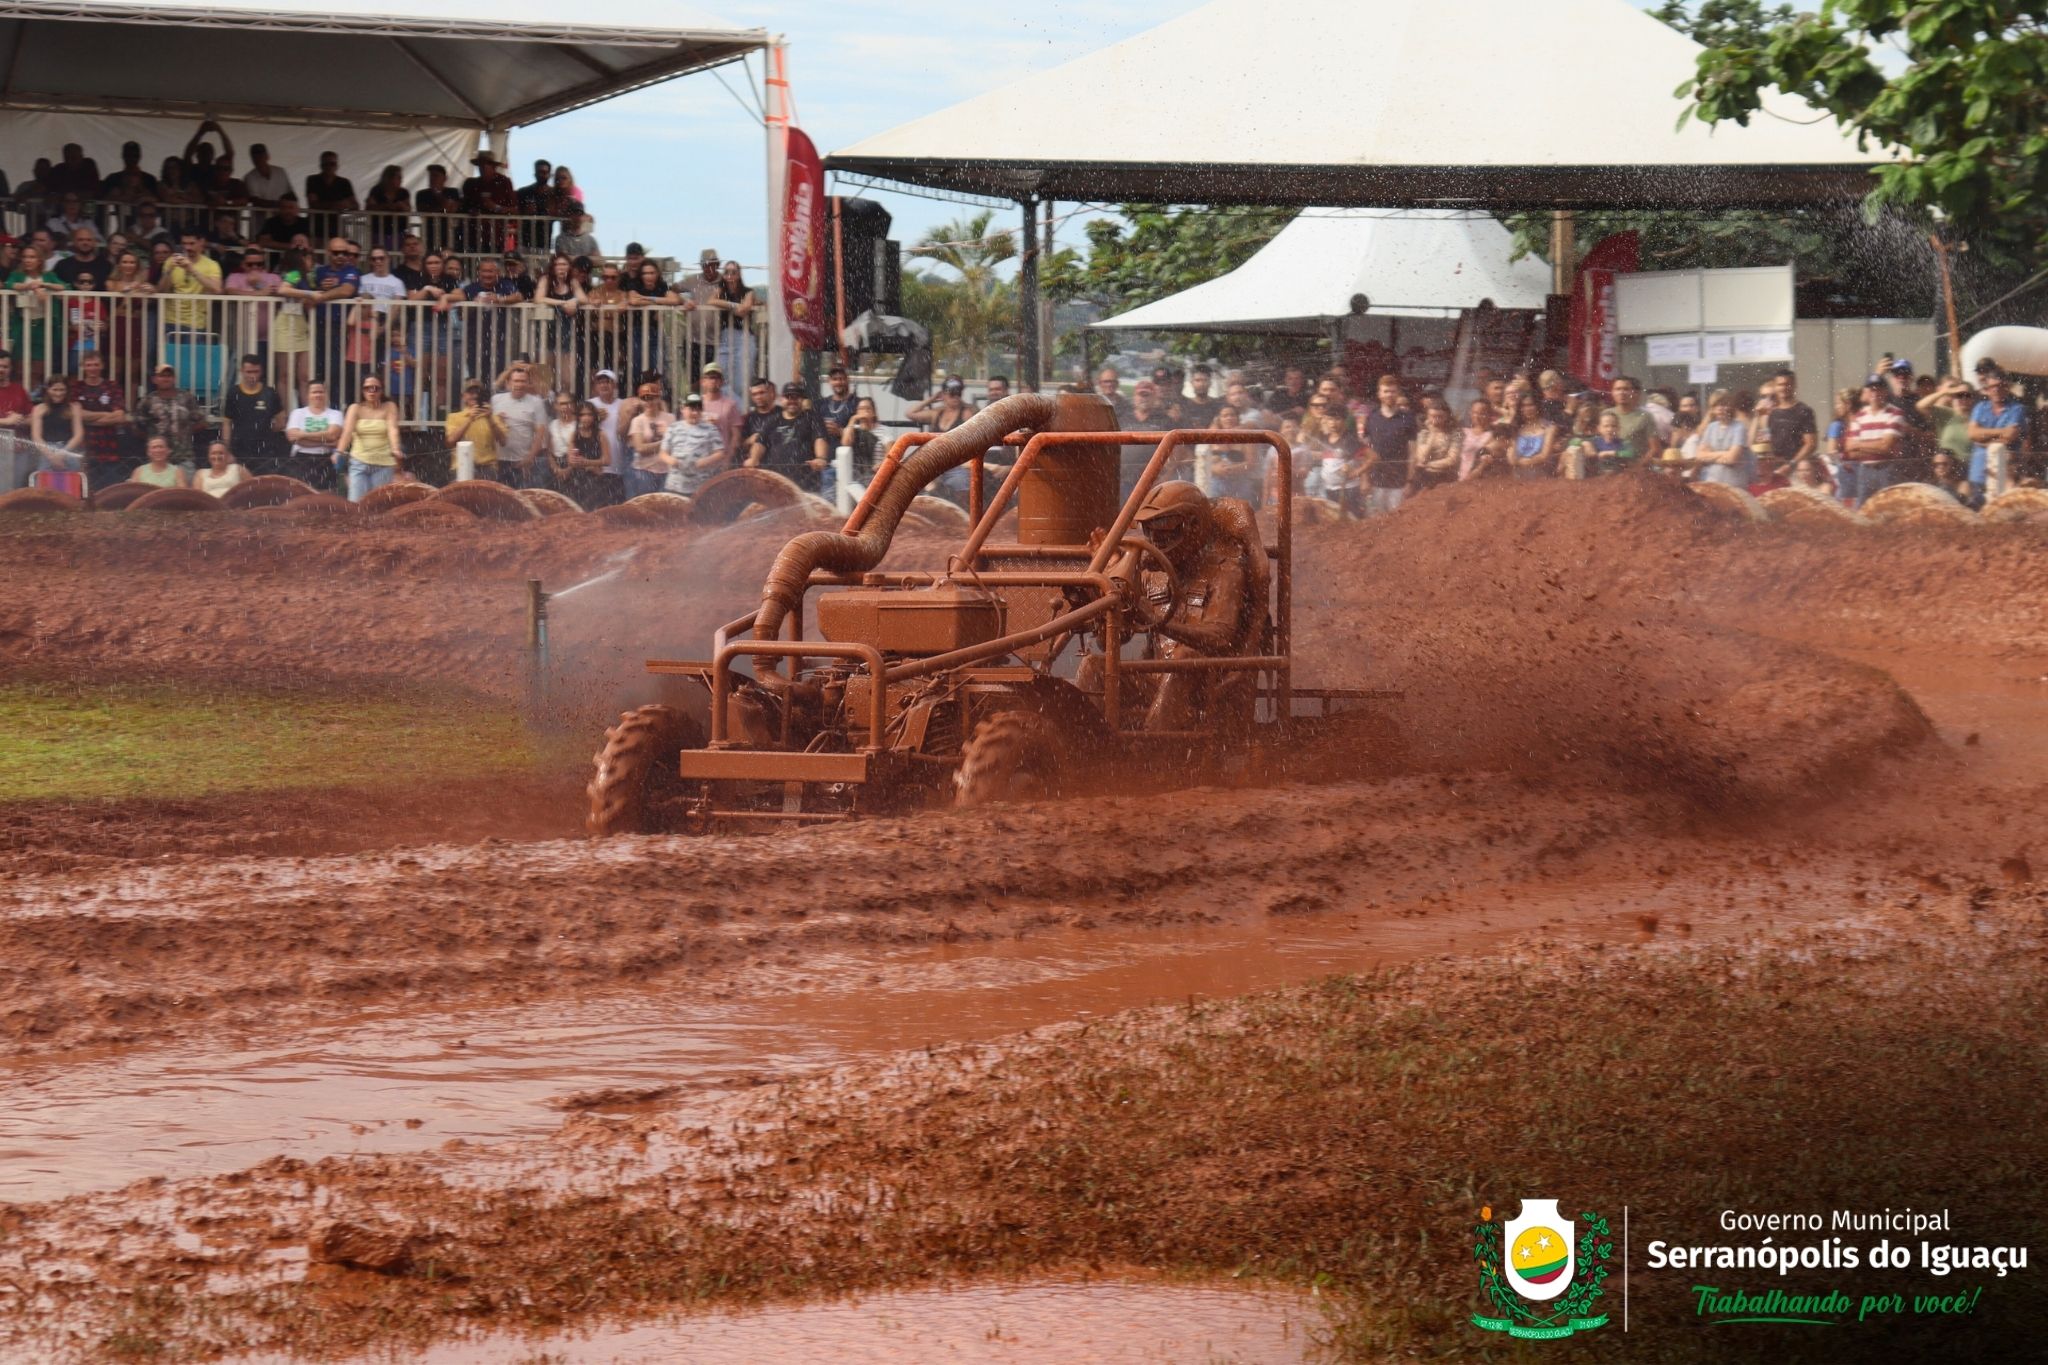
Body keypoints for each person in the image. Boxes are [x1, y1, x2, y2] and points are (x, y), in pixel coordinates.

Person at [1128, 480, 1257, 733]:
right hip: (1156, 678)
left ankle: (1152, 747)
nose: (1156, 539)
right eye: (1150, 529)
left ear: (1194, 526)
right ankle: (1083, 746)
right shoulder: (1151, 574)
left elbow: (1220, 638)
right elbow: (1113, 639)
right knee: (1093, 666)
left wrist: (1157, 621)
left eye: (1165, 527)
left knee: (1184, 658)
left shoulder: (1224, 572)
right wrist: (1107, 598)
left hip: (1204, 684)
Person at [746, 381, 828, 491]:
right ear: (781, 399)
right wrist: (753, 458)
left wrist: (820, 458)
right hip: (776, 482)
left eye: (796, 397)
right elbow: (760, 443)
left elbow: (820, 439)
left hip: (806, 482)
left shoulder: (812, 418)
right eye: (788, 397)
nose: (792, 400)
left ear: (802, 399)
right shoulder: (772, 420)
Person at [1841, 376, 1908, 507]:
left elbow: (1886, 446)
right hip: (1864, 470)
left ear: (1885, 391)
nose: (1875, 393)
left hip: (1887, 470)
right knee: (1862, 510)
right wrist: (1878, 446)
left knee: (1888, 509)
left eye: (1879, 389)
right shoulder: (1859, 416)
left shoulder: (1895, 413)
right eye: (1872, 389)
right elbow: (1850, 451)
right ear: (1866, 392)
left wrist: (1858, 444)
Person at [335, 374, 402, 500]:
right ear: (362, 390)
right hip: (359, 462)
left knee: (378, 504)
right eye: (367, 388)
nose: (372, 391)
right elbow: (347, 432)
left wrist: (395, 448)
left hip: (383, 464)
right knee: (356, 502)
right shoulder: (355, 408)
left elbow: (392, 429)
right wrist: (339, 451)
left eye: (376, 388)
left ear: (381, 391)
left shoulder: (389, 406)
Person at [6, 244, 64, 383]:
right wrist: (29, 286)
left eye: (32, 257)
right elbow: (10, 284)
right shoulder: (17, 274)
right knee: (19, 368)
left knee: (39, 369)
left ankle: (34, 394)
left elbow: (63, 286)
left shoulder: (48, 275)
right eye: (25, 257)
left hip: (42, 326)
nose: (28, 260)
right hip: (22, 325)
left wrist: (44, 285)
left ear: (39, 260)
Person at [1967, 366, 2026, 499]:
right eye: (1992, 386)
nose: (1996, 390)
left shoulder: (2017, 409)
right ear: (1987, 389)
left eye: (2000, 386)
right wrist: (2001, 433)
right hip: (1978, 473)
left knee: (2001, 507)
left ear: (2007, 387)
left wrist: (1982, 439)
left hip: (2004, 473)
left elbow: (2010, 436)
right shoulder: (1980, 408)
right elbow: (1972, 433)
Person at [220, 355, 286, 474]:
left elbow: (281, 422)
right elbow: (227, 424)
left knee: (264, 483)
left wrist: (266, 430)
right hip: (239, 450)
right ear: (241, 371)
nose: (252, 375)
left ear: (261, 371)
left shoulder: (270, 393)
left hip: (265, 452)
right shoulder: (233, 393)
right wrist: (227, 451)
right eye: (249, 372)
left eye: (256, 371)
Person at [489, 363, 551, 487]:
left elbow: (540, 433)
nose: (519, 384)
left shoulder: (536, 402)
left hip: (524, 461)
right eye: (516, 381)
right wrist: (511, 368)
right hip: (500, 460)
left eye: (523, 381)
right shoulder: (496, 400)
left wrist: (530, 458)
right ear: (508, 382)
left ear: (528, 383)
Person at [71, 351, 129, 477]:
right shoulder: (76, 387)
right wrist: (106, 415)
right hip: (84, 448)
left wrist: (87, 418)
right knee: (85, 485)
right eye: (89, 365)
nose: (92, 368)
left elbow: (120, 416)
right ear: (83, 367)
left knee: (110, 485)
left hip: (109, 448)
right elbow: (75, 415)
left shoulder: (112, 386)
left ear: (102, 365)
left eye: (96, 364)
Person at [659, 392, 727, 496]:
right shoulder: (673, 428)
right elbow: (663, 453)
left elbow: (720, 453)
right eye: (691, 409)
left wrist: (705, 461)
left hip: (701, 484)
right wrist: (671, 460)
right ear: (683, 409)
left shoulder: (711, 429)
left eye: (698, 409)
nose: (695, 413)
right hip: (675, 484)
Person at [134, 363, 202, 464]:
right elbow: (137, 427)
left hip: (184, 458)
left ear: (174, 379)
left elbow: (201, 422)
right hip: (157, 459)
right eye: (162, 376)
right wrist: (152, 438)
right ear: (154, 379)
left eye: (169, 376)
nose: (166, 379)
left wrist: (184, 433)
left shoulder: (187, 398)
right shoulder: (147, 401)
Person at [559, 400, 621, 508]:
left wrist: (588, 462)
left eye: (589, 415)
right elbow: (570, 460)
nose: (586, 418)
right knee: (575, 509)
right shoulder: (575, 434)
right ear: (578, 417)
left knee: (593, 509)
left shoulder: (600, 435)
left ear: (594, 416)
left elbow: (607, 460)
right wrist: (583, 464)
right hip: (576, 479)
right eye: (582, 415)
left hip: (595, 479)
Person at [285, 381, 346, 487]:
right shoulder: (297, 413)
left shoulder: (336, 414)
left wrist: (303, 435)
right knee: (301, 493)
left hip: (326, 458)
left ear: (326, 394)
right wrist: (326, 442)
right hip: (301, 459)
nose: (318, 395)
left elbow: (332, 435)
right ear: (307, 395)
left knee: (326, 494)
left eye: (321, 392)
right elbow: (293, 438)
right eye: (314, 392)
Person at [1762, 369, 1818, 481]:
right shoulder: (1771, 412)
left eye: (1787, 384)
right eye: (1780, 384)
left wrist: (1791, 465)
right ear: (1775, 386)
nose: (1783, 388)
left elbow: (1811, 444)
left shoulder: (1804, 411)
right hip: (1775, 469)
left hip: (1796, 470)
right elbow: (1765, 440)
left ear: (1794, 385)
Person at [444, 379, 505, 477]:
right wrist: (469, 419)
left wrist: (490, 419)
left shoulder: (494, 417)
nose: (475, 396)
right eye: (471, 393)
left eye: (478, 393)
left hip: (487, 467)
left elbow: (503, 441)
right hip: (461, 466)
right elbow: (450, 442)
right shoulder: (453, 417)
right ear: (463, 396)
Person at [708, 259, 757, 382]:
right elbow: (711, 301)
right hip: (725, 336)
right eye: (726, 272)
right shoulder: (721, 290)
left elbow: (744, 309)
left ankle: (741, 396)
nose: (730, 275)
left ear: (739, 274)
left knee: (742, 378)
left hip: (744, 336)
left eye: (733, 272)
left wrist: (727, 306)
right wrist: (733, 305)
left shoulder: (748, 292)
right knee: (722, 376)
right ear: (723, 275)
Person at [624, 378, 674, 497]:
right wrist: (665, 442)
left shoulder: (670, 418)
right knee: (645, 505)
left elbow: (676, 444)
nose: (649, 402)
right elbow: (640, 448)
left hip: (667, 471)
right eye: (645, 398)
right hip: (644, 471)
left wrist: (654, 446)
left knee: (665, 505)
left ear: (658, 398)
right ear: (640, 400)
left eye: (652, 398)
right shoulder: (637, 421)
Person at [1694, 390, 1753, 488]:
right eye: (1716, 405)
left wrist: (1710, 456)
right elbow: (1699, 455)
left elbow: (1732, 458)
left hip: (1733, 485)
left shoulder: (1739, 427)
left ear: (1731, 406)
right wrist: (1724, 453)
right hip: (1711, 482)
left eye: (1724, 404)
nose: (1720, 408)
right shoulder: (1711, 427)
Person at [1602, 376, 1663, 466]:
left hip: (1636, 467)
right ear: (1612, 392)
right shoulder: (1606, 414)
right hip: (1609, 466)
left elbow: (1655, 448)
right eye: (1618, 389)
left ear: (1632, 393)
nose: (1622, 393)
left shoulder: (1645, 416)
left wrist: (1639, 465)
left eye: (1626, 389)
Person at [30, 373, 84, 467]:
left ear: (67, 390)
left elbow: (79, 435)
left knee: (72, 477)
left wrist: (62, 453)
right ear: (48, 390)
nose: (58, 393)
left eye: (62, 390)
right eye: (55, 389)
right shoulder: (38, 409)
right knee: (45, 477)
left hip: (69, 451)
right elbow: (36, 437)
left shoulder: (74, 408)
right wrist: (51, 456)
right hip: (46, 452)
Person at [817, 366, 859, 446]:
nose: (838, 382)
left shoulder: (857, 403)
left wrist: (840, 432)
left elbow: (864, 435)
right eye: (835, 379)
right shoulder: (821, 404)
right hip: (824, 452)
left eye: (841, 379)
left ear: (847, 380)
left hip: (847, 452)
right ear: (829, 381)